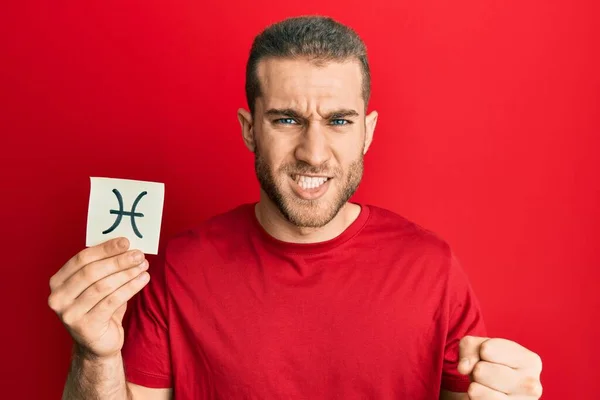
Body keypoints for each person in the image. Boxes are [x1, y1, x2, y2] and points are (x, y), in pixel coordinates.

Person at [48, 15, 543, 400]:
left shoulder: (432, 268)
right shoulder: (180, 270)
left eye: (340, 121)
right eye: (287, 119)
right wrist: (96, 356)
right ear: (249, 128)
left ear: (368, 131)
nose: (314, 151)